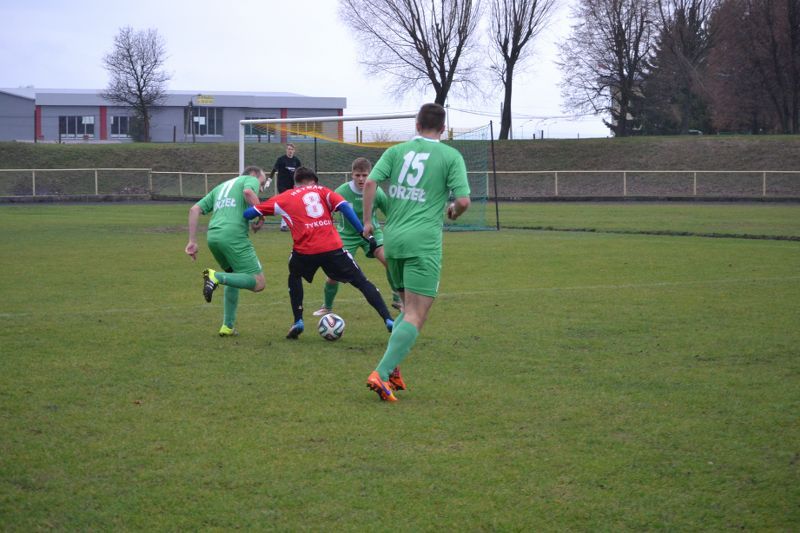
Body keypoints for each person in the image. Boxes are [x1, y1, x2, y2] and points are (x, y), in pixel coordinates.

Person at [361, 103, 471, 402]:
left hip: (393, 240)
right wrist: (452, 211)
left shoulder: (396, 152)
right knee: (416, 313)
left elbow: (370, 181)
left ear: (417, 125)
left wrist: (369, 221)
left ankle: (393, 369)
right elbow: (463, 201)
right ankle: (381, 374)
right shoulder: (450, 156)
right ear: (444, 128)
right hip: (423, 243)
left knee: (407, 309)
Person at [243, 166, 394, 339]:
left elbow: (249, 213)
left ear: (296, 183)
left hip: (304, 251)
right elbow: (344, 207)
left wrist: (258, 215)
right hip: (332, 248)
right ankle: (388, 319)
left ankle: (298, 321)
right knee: (361, 281)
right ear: (314, 181)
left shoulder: (284, 197)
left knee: (294, 275)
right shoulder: (323, 191)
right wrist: (362, 232)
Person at [185, 165, 271, 336]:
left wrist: (192, 241)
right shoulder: (250, 180)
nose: (260, 188)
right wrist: (262, 214)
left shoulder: (221, 187)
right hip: (234, 236)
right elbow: (248, 192)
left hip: (214, 237)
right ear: (254, 174)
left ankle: (228, 326)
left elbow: (194, 209)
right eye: (261, 182)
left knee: (233, 275)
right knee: (259, 283)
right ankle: (215, 277)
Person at [312, 157, 402, 317]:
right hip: (347, 236)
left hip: (372, 233)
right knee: (334, 275)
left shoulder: (377, 191)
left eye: (365, 175)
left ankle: (397, 298)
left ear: (370, 175)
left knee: (389, 260)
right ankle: (327, 306)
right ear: (352, 175)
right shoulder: (341, 191)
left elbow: (391, 214)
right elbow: (325, 211)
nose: (361, 179)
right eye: (357, 175)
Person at [270, 143, 301, 231]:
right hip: (282, 185)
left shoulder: (296, 161)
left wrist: (300, 184)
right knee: (286, 203)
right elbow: (274, 169)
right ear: (286, 150)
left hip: (292, 185)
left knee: (291, 205)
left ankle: (288, 223)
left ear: (294, 151)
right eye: (288, 149)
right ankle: (283, 225)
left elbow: (299, 173)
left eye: (291, 149)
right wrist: (269, 179)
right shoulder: (281, 159)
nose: (290, 151)